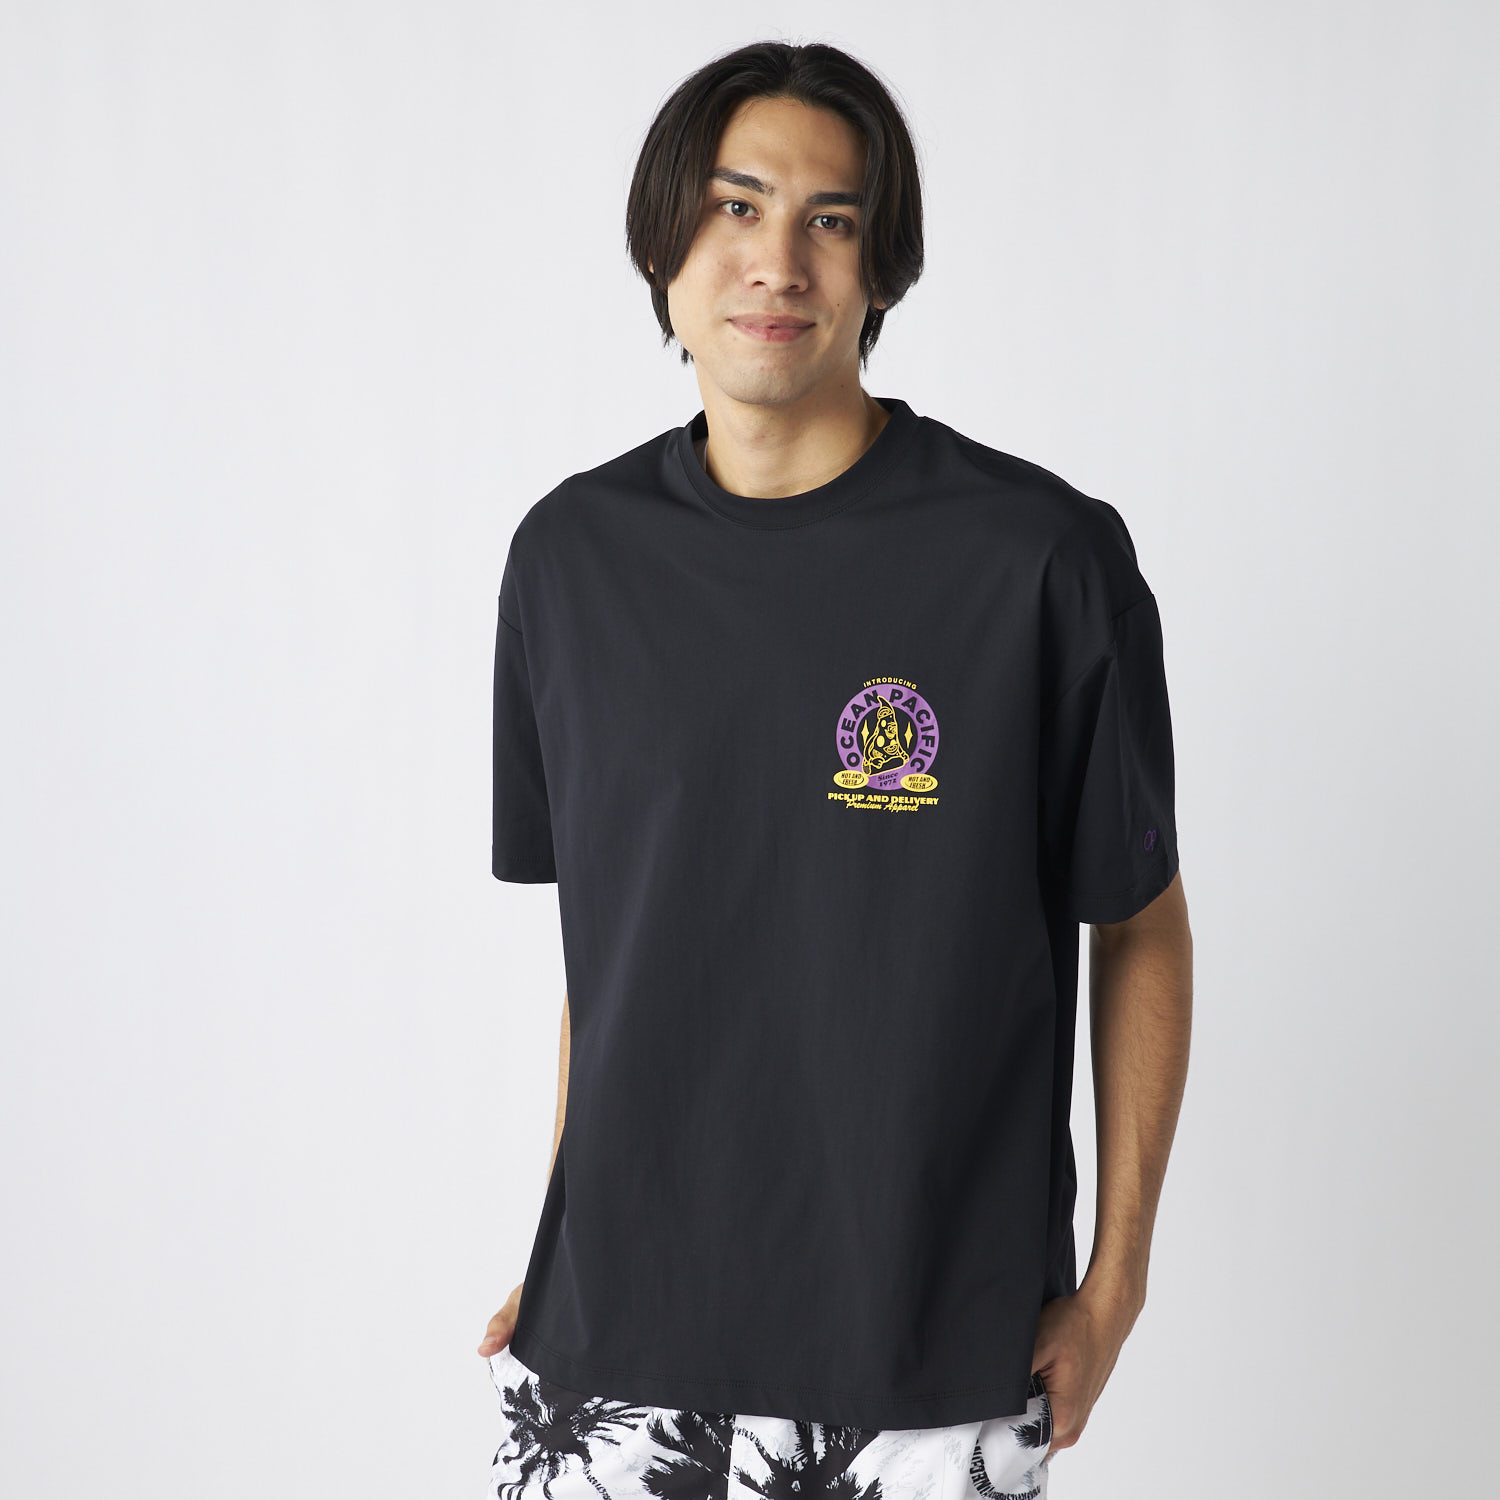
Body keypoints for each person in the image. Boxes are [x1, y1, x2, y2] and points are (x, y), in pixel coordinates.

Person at [477, 39, 1193, 1500]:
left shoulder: (1038, 562)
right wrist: (559, 1239)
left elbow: (1141, 926)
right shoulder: (568, 562)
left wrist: (1114, 1286)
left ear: (881, 268)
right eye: (736, 207)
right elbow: (609, 961)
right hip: (613, 1355)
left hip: (928, 1365)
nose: (778, 262)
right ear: (664, 242)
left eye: (833, 219)